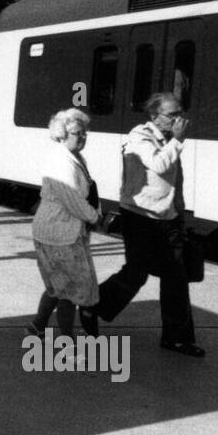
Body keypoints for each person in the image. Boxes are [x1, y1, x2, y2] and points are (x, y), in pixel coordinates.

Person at [82, 92, 204, 357]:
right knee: (136, 273)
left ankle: (176, 338)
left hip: (168, 218)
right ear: (154, 116)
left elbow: (174, 179)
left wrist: (179, 208)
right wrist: (179, 140)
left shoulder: (169, 139)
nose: (179, 119)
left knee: (176, 278)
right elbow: (158, 165)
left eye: (180, 113)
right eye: (172, 115)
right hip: (140, 217)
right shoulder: (139, 137)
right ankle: (94, 305)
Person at [28, 109, 101, 336]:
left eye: (84, 133)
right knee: (68, 289)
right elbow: (72, 199)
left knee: (58, 285)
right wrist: (94, 216)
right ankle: (66, 341)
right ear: (62, 134)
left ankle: (37, 326)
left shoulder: (75, 157)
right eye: (77, 133)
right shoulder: (60, 161)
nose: (82, 137)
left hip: (60, 230)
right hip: (58, 233)